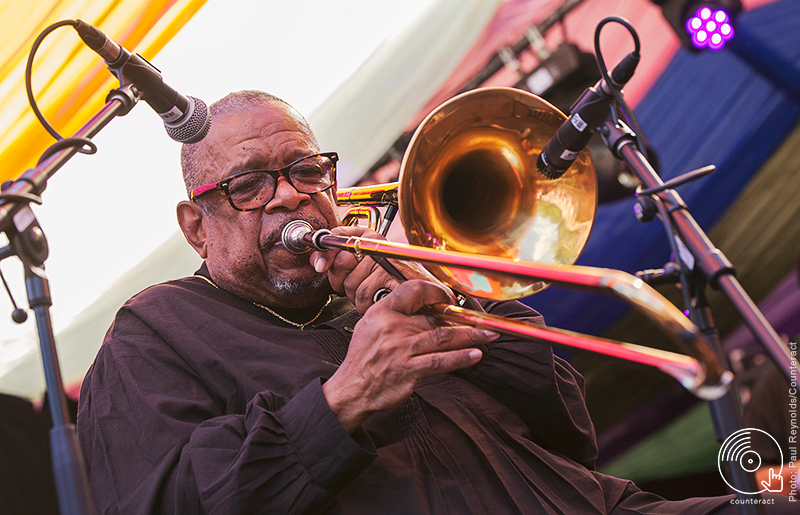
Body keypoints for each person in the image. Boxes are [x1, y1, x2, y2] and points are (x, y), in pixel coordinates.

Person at [77, 90, 789, 514]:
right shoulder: (153, 332)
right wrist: (341, 401)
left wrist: (443, 299)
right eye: (250, 184)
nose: (290, 194)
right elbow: (169, 502)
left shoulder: (395, 279)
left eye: (303, 169)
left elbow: (568, 424)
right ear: (197, 225)